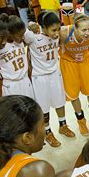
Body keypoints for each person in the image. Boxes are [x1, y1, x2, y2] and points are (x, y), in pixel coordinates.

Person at [23, 12, 76, 147]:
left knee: (60, 102)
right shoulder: (33, 38)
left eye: (58, 29)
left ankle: (63, 125)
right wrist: (31, 25)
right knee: (44, 107)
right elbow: (21, 28)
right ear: (44, 28)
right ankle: (47, 131)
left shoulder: (57, 36)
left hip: (54, 73)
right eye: (53, 30)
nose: (56, 33)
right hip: (39, 77)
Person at [59, 14, 89, 135]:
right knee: (73, 95)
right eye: (83, 30)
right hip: (68, 63)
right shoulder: (64, 32)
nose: (87, 33)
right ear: (75, 28)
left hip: (84, 61)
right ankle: (81, 120)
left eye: (88, 29)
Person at [0, 15, 34, 99]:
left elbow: (31, 38)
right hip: (10, 84)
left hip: (25, 80)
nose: (23, 37)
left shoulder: (20, 41)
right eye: (20, 35)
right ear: (9, 33)